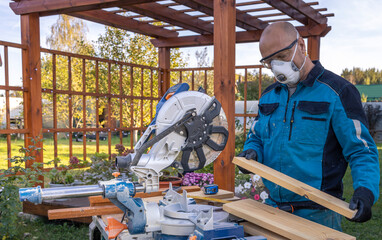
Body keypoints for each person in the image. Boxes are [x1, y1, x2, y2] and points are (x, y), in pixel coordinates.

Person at [238, 22, 380, 231]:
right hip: (272, 209)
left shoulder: (338, 92)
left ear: (301, 46)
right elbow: (257, 137)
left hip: (318, 215)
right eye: (269, 62)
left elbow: (361, 151)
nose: (277, 66)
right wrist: (252, 152)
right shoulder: (269, 96)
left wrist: (365, 191)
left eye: (283, 56)